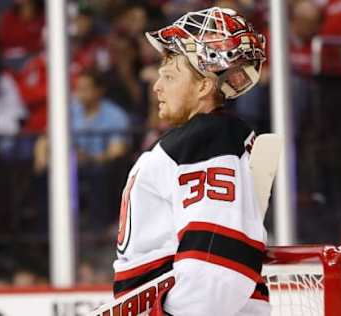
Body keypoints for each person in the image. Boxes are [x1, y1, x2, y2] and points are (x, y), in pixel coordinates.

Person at [112, 7, 269, 315]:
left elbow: (220, 268)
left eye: (169, 76)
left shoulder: (208, 141)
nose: (157, 86)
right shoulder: (200, 141)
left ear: (204, 86)